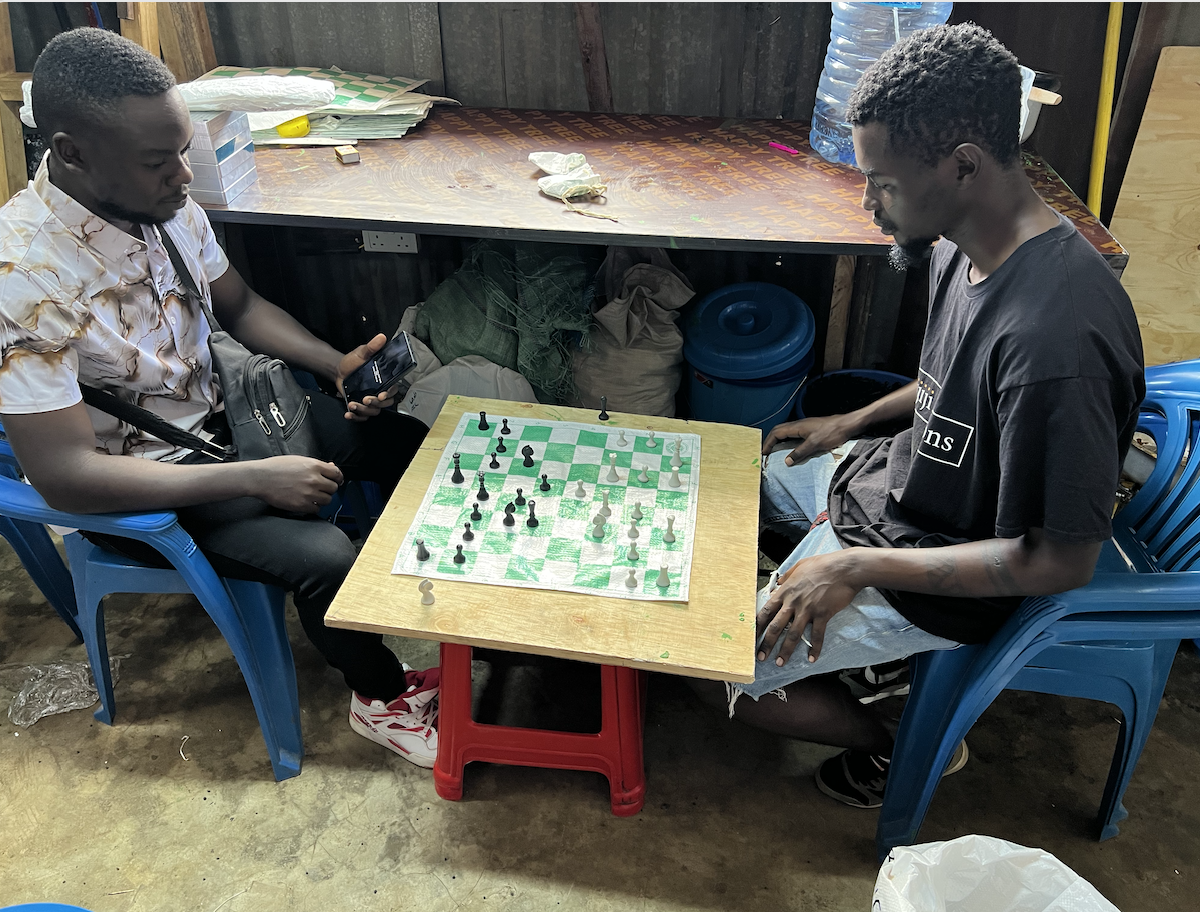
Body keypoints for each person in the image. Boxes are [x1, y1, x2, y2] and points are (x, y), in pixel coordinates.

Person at [693, 23, 1145, 808]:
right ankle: (850, 634)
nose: (867, 203)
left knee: (703, 660)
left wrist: (852, 566)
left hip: (954, 565)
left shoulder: (1059, 338)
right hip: (900, 492)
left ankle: (909, 737)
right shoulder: (959, 239)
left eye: (882, 183)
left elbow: (1058, 561)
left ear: (962, 165)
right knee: (750, 477)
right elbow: (952, 379)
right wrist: (855, 420)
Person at [0, 28, 439, 769]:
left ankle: (411, 606)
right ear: (71, 153)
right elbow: (67, 476)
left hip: (233, 418)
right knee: (327, 556)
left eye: (182, 150)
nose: (182, 175)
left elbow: (238, 306)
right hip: (149, 484)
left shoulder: (161, 202)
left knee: (404, 440)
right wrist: (252, 479)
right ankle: (382, 700)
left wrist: (335, 366)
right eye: (158, 161)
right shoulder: (21, 280)